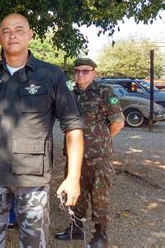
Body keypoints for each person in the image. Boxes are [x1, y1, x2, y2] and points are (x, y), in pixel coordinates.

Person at [0, 13, 85, 247]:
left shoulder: (51, 75)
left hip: (32, 178)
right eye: (6, 30)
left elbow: (73, 128)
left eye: (19, 29)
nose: (13, 34)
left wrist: (73, 177)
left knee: (33, 242)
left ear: (30, 35)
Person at [55, 58, 124, 247]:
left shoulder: (104, 92)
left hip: (99, 157)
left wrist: (101, 140)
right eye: (77, 71)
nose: (80, 74)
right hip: (74, 155)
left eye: (85, 71)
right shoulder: (69, 92)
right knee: (76, 191)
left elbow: (118, 122)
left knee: (99, 194)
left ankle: (101, 235)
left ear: (94, 72)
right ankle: (75, 228)